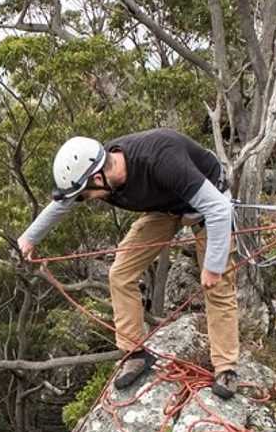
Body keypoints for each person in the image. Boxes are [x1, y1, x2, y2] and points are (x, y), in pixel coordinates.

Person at [18, 128, 239, 398]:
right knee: (121, 273)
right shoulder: (102, 172)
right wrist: (29, 238)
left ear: (97, 177)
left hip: (209, 205)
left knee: (217, 287)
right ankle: (135, 352)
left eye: (83, 194)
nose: (83, 201)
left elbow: (218, 208)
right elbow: (62, 204)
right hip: (167, 207)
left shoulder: (160, 160)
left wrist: (213, 267)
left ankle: (226, 368)